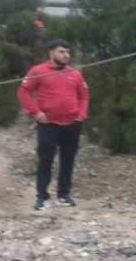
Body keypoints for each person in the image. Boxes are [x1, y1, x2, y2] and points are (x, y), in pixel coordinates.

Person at [17, 40, 89, 210]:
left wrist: (81, 115)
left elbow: (84, 96)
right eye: (61, 52)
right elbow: (23, 92)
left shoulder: (75, 74)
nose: (66, 55)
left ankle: (64, 195)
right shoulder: (38, 71)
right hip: (48, 124)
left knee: (68, 160)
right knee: (45, 160)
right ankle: (42, 198)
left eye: (67, 52)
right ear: (51, 53)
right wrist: (36, 112)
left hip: (72, 124)